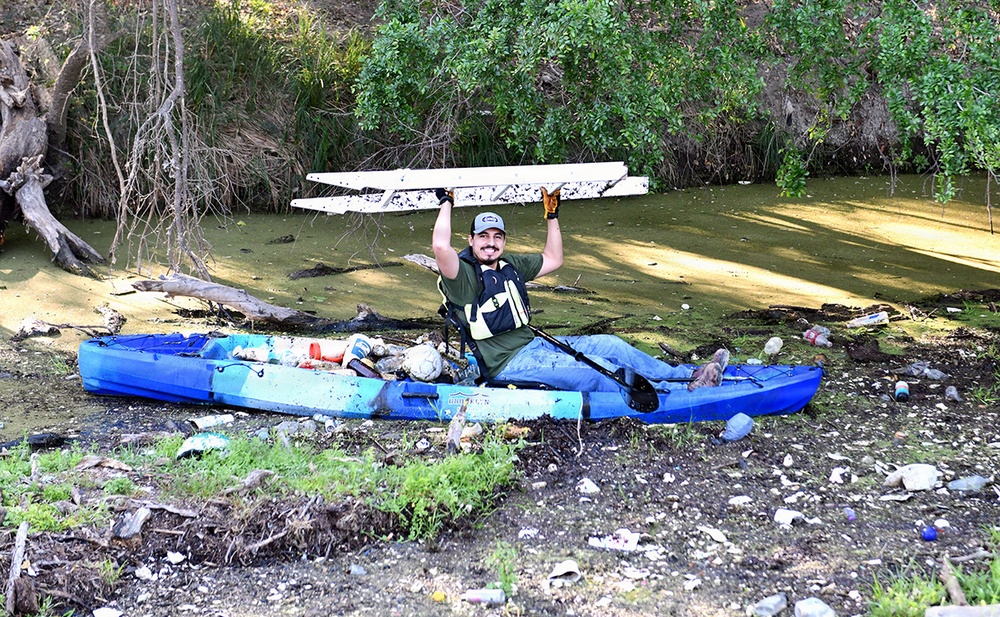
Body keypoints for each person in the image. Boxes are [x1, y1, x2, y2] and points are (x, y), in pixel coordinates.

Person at [432, 187, 727, 392]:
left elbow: (554, 259)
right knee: (595, 367)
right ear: (470, 240)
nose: (490, 242)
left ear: (504, 241)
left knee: (610, 345)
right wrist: (447, 201)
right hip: (510, 365)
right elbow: (440, 246)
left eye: (497, 236)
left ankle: (690, 373)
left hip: (535, 345)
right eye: (483, 236)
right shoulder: (463, 277)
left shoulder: (509, 264)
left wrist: (552, 214)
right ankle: (672, 391)